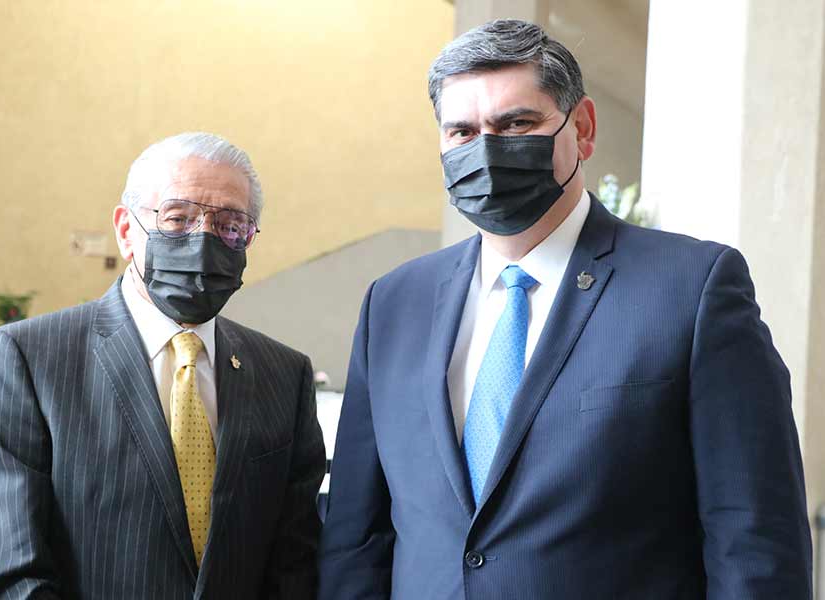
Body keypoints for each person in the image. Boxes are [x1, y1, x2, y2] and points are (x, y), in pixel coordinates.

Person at [318, 20, 812, 599]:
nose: (486, 149)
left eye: (516, 123)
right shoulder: (393, 304)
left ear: (582, 128)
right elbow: (356, 539)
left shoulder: (694, 289)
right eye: (461, 132)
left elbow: (754, 541)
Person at [0, 132, 326, 599]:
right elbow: (4, 574)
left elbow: (295, 563)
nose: (202, 240)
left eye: (230, 225)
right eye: (178, 218)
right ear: (126, 230)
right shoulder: (27, 359)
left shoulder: (284, 375)